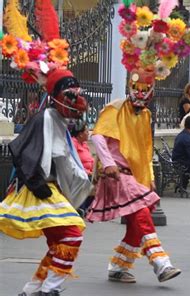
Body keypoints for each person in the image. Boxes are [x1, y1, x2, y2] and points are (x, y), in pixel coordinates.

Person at [86, 3, 190, 284]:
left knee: (137, 221)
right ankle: (161, 264)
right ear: (130, 86)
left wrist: (150, 180)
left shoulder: (145, 115)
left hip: (135, 177)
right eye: (138, 88)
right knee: (143, 216)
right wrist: (108, 164)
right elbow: (97, 136)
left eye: (147, 89)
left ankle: (118, 267)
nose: (142, 93)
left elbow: (145, 149)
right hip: (117, 175)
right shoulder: (115, 108)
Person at [0, 68, 92, 296]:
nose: (77, 100)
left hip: (52, 190)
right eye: (70, 94)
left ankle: (32, 290)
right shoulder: (45, 118)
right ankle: (50, 289)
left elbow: (65, 160)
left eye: (77, 93)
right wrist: (37, 184)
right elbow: (21, 150)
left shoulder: (60, 121)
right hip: (39, 189)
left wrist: (83, 185)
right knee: (73, 233)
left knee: (60, 242)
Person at [70, 121, 95, 217]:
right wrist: (86, 172)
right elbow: (73, 160)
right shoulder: (73, 143)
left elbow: (90, 160)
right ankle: (80, 207)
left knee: (100, 180)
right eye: (86, 131)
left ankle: (88, 207)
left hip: (88, 173)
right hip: (78, 173)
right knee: (87, 179)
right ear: (80, 134)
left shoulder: (84, 144)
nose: (88, 133)